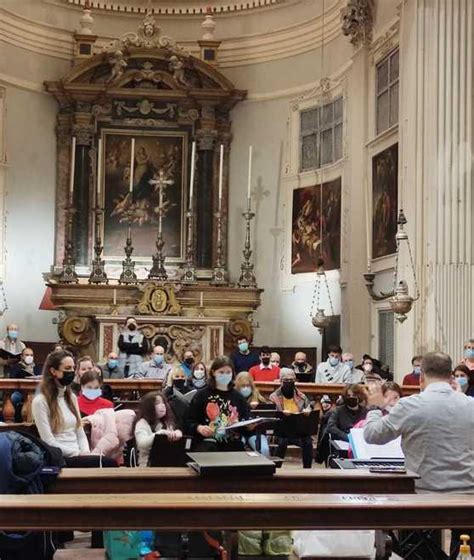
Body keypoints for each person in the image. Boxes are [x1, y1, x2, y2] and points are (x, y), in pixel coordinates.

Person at [364, 352, 474, 557]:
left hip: (422, 495)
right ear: (451, 376)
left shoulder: (410, 405)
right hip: (467, 496)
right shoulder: (470, 405)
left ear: (421, 375)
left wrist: (374, 406)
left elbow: (372, 435)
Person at [32, 350, 115, 467]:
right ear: (53, 371)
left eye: (72, 368)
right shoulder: (40, 401)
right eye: (67, 368)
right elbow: (49, 441)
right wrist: (78, 454)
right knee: (109, 464)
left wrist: (86, 453)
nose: (71, 372)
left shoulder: (71, 397)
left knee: (106, 464)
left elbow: (79, 432)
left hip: (79, 455)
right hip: (61, 457)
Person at [186, 355, 253, 452]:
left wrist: (247, 426)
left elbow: (246, 420)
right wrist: (199, 428)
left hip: (232, 444)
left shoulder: (238, 397)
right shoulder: (202, 395)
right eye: (221, 372)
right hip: (207, 442)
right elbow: (189, 422)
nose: (225, 375)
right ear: (213, 372)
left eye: (228, 372)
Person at [269, 368, 313, 468]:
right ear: (280, 381)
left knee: (308, 441)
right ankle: (276, 469)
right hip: (281, 433)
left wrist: (307, 412)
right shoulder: (273, 397)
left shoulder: (302, 396)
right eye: (286, 380)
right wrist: (281, 413)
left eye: (291, 380)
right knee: (282, 443)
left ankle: (308, 470)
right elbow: (271, 415)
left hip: (298, 432)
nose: (289, 382)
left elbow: (308, 408)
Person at [134, 391, 182, 467]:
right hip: (147, 465)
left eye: (163, 403)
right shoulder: (142, 423)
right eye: (157, 403)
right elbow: (142, 444)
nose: (162, 406)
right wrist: (160, 434)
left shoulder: (166, 423)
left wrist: (178, 433)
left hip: (167, 463)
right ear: (149, 407)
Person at [234, 371, 271, 456]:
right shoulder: (233, 398)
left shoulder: (258, 398)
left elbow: (267, 416)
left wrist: (256, 423)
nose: (246, 388)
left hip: (255, 432)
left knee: (264, 450)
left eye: (248, 386)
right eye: (243, 386)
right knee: (236, 448)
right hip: (238, 433)